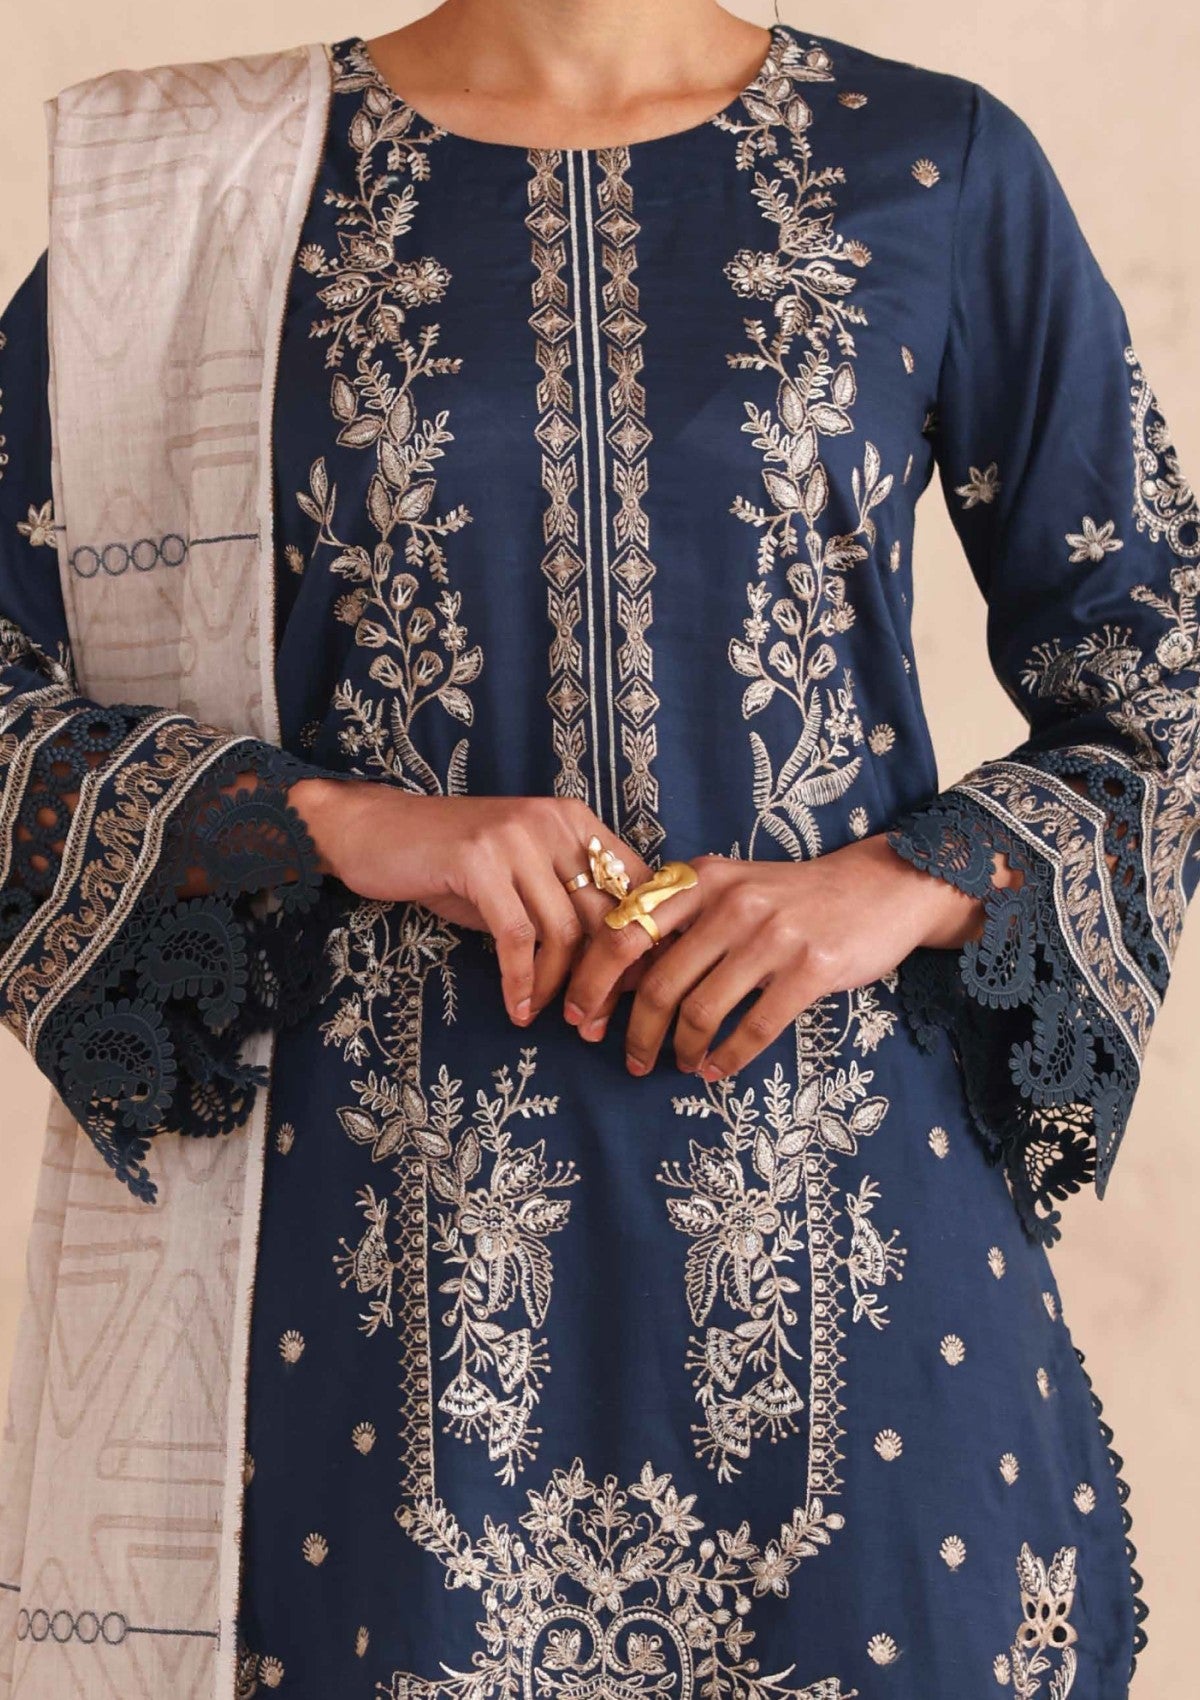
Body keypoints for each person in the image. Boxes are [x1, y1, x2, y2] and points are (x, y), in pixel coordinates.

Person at [0, 2, 1192, 1694]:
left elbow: (1161, 668)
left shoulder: (934, 163)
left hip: (852, 1263)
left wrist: (899, 886)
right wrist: (336, 820)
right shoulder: (210, 186)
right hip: (364, 1287)